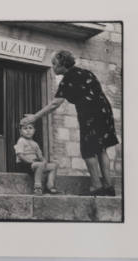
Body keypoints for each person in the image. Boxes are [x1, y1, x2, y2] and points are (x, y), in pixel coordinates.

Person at [20, 50, 118, 196]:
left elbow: (55, 104)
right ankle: (109, 187)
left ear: (63, 65)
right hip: (105, 111)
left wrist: (35, 117)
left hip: (90, 113)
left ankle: (96, 186)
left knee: (88, 150)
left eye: (54, 64)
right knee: (101, 148)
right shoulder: (87, 72)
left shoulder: (68, 78)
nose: (52, 67)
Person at [14, 123, 59, 195]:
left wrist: (44, 161)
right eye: (25, 128)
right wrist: (30, 161)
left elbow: (41, 157)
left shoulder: (35, 144)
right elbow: (20, 155)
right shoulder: (21, 141)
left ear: (34, 130)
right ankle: (37, 187)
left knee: (54, 166)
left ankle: (50, 185)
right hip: (23, 164)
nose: (28, 130)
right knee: (39, 165)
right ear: (20, 132)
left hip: (35, 164)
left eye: (30, 128)